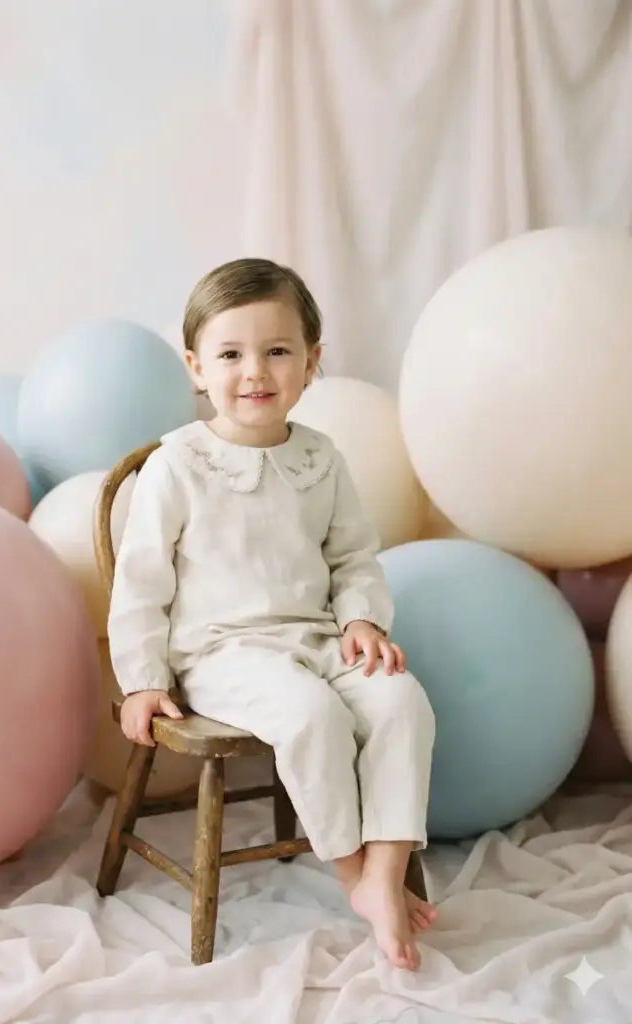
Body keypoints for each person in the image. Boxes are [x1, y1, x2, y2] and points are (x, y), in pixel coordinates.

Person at [108, 257, 437, 970]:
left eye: (277, 351)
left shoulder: (321, 459)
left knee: (400, 703)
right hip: (222, 655)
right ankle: (356, 877)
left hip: (317, 639)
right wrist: (141, 678)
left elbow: (353, 557)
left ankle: (383, 869)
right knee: (311, 717)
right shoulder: (178, 464)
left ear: (311, 363)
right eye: (230, 354)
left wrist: (360, 621)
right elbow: (139, 584)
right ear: (197, 368)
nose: (253, 371)